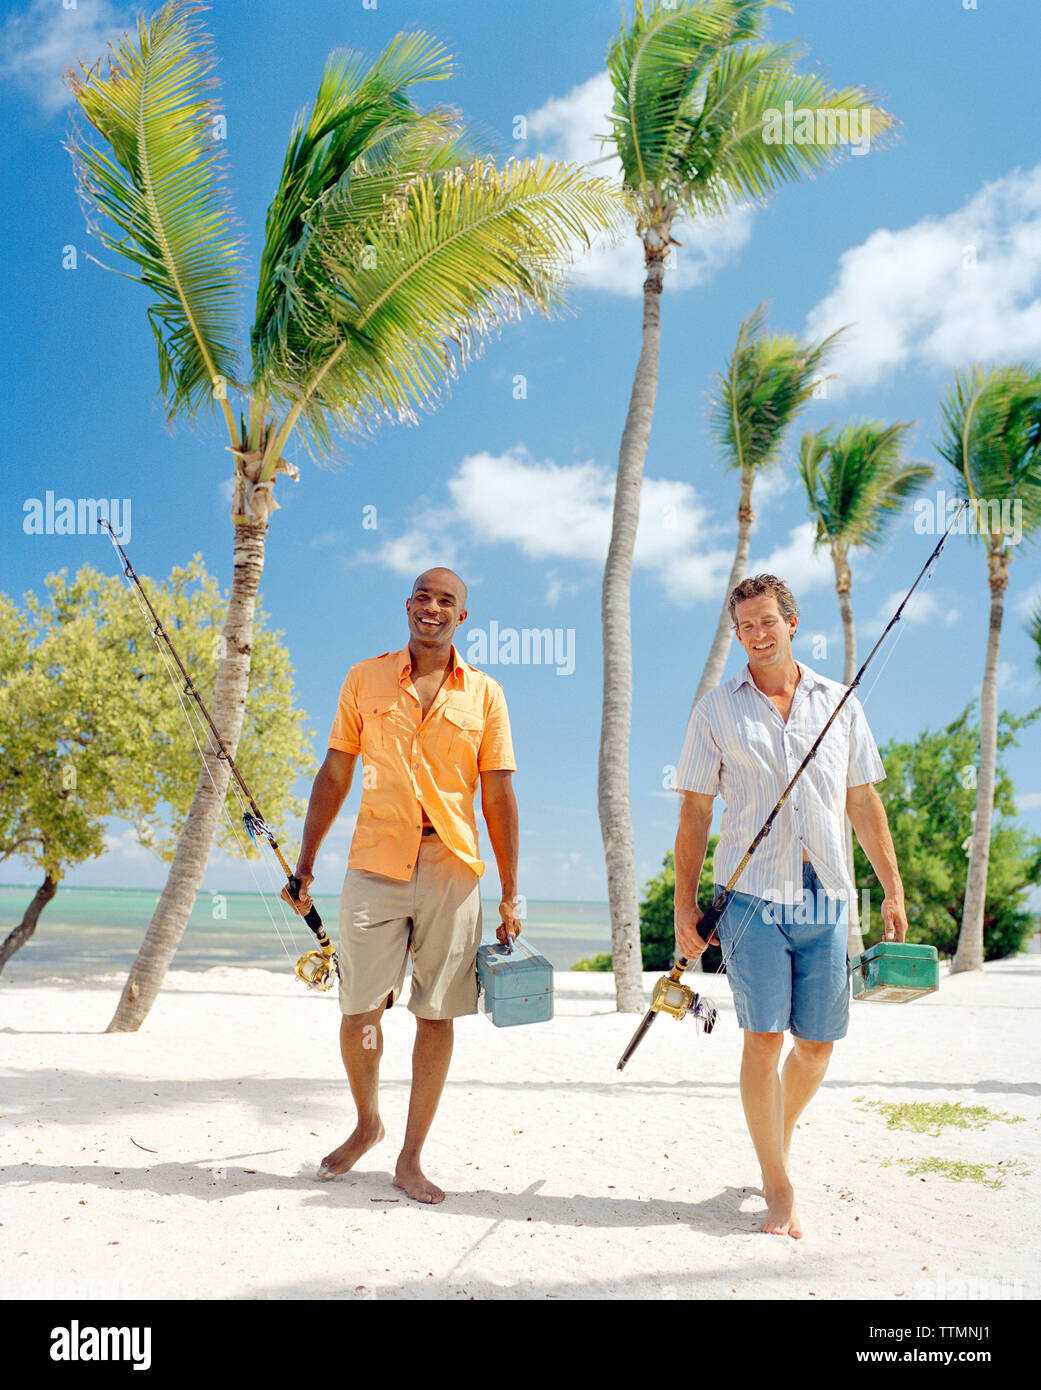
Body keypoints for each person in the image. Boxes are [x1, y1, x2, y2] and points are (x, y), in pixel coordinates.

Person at [673, 573, 907, 1239]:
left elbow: (863, 800)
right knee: (763, 1036)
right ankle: (778, 1185)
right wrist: (682, 907)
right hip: (749, 898)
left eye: (766, 621)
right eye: (744, 625)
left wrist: (891, 887)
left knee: (815, 1046)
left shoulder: (839, 703)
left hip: (825, 895)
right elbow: (693, 810)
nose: (755, 634)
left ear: (791, 622)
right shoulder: (715, 711)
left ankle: (771, 1136)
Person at [282, 567, 521, 1204]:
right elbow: (335, 771)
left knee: (437, 1012)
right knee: (358, 1006)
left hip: (452, 868)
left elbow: (498, 793)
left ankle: (410, 1157)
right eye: (423, 596)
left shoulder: (486, 695)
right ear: (407, 606)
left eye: (447, 601)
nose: (433, 608)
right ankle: (368, 1123)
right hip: (374, 865)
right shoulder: (363, 679)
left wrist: (511, 892)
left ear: (462, 617)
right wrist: (305, 864)